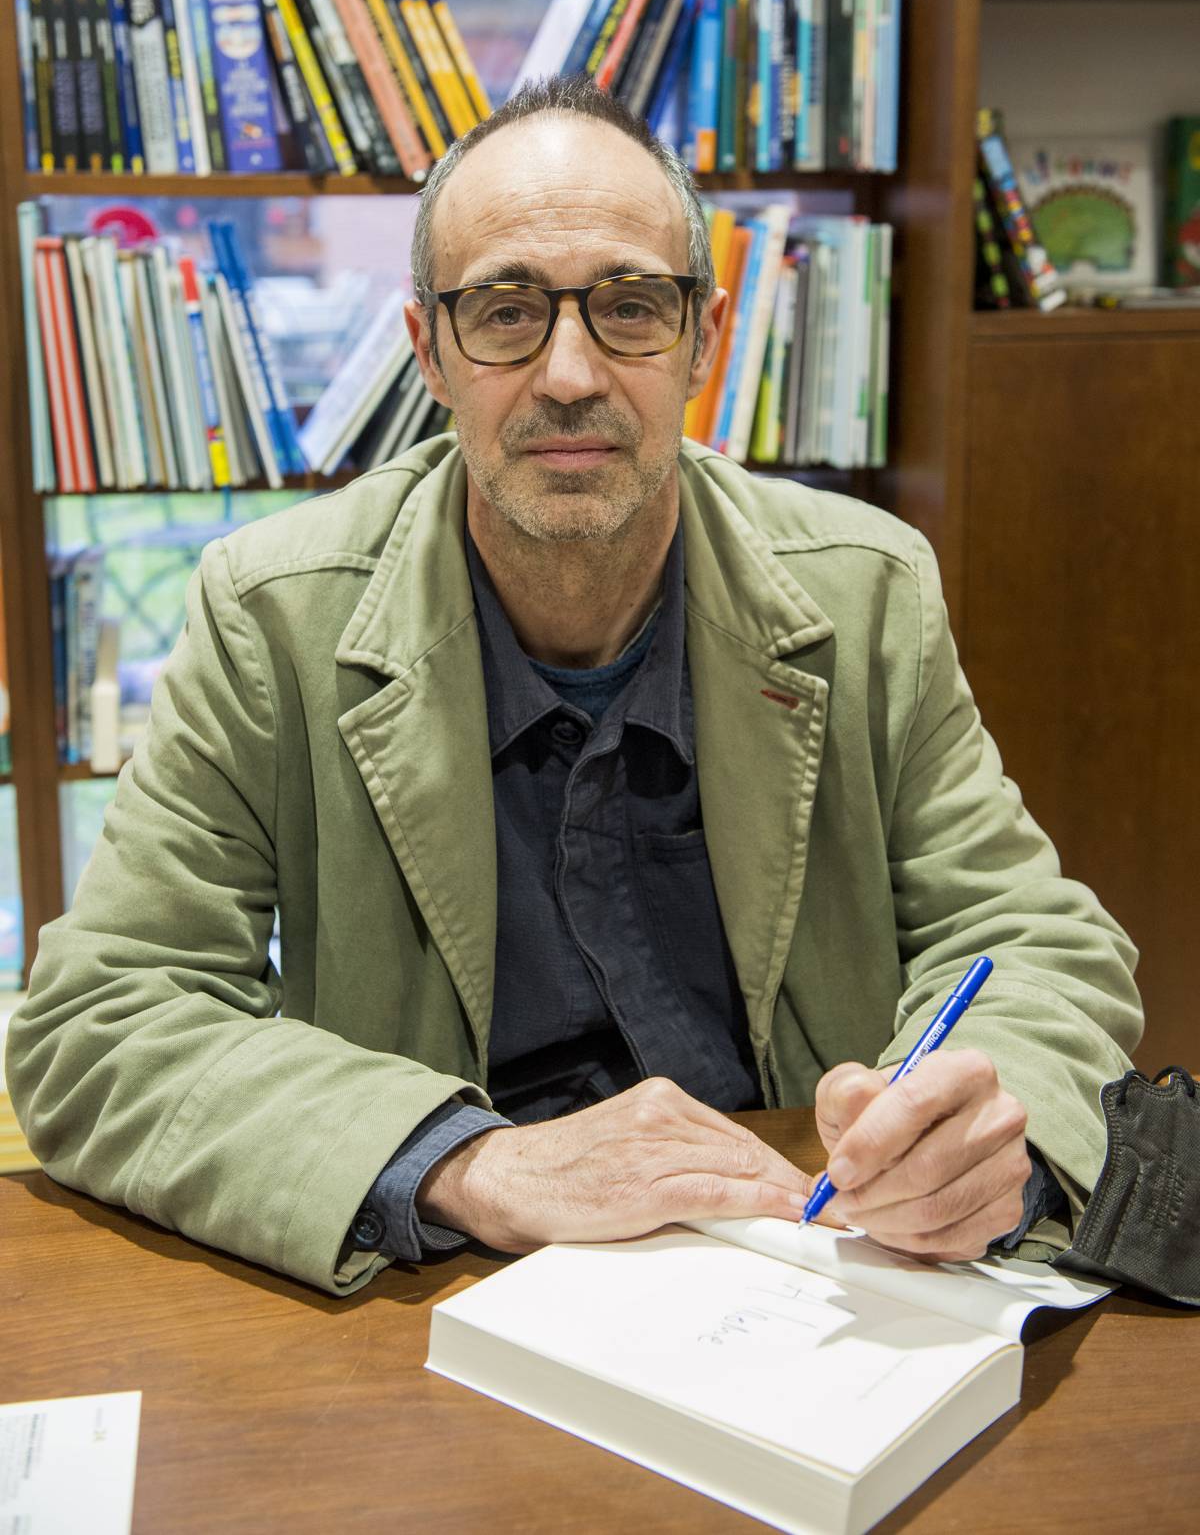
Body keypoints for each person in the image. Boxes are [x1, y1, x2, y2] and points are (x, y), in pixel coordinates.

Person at [8, 78, 1141, 1297]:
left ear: (705, 339)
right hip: (448, 1281)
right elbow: (98, 1021)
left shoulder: (866, 591)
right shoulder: (274, 615)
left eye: (630, 307)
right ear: (429, 351)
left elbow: (1032, 942)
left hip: (815, 1265)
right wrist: (465, 1161)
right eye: (505, 312)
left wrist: (985, 1144)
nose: (567, 373)